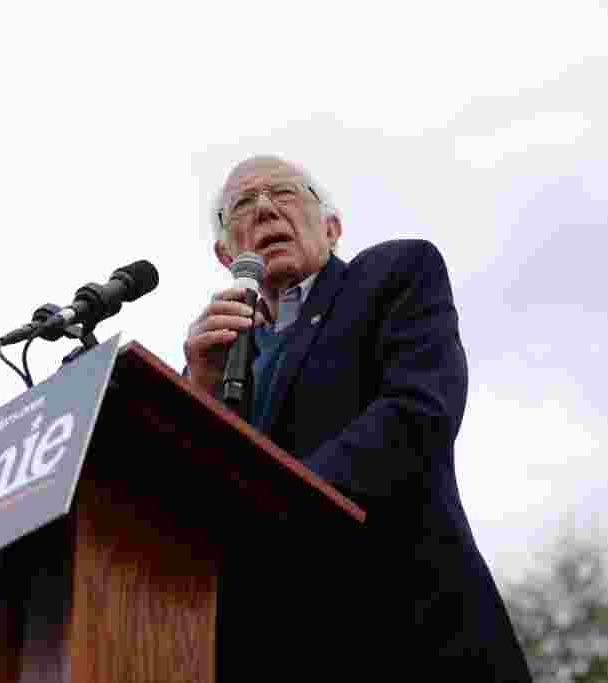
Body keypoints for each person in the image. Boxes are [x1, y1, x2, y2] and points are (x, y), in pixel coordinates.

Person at [183, 155, 532, 680]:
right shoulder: (216, 356)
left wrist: (275, 510)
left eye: (282, 192)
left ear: (331, 227)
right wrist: (200, 391)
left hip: (408, 638)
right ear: (224, 253)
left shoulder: (392, 276)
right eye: (241, 205)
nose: (264, 209)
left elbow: (418, 414)